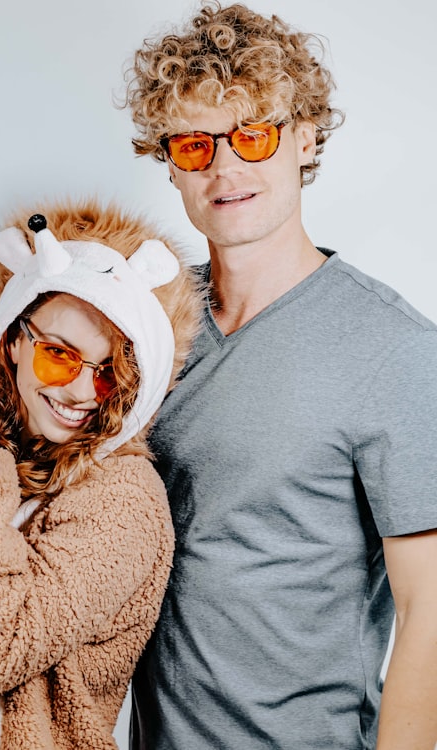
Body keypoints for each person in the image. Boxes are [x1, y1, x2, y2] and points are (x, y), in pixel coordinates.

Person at [122, 4, 437, 748]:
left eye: (252, 135)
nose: (224, 167)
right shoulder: (147, 325)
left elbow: (430, 607)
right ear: (169, 162)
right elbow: (24, 415)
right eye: (196, 145)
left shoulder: (394, 348)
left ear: (304, 138)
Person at [0, 201, 201, 749]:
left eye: (110, 375)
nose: (78, 392)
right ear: (14, 340)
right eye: (58, 356)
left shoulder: (124, 501)